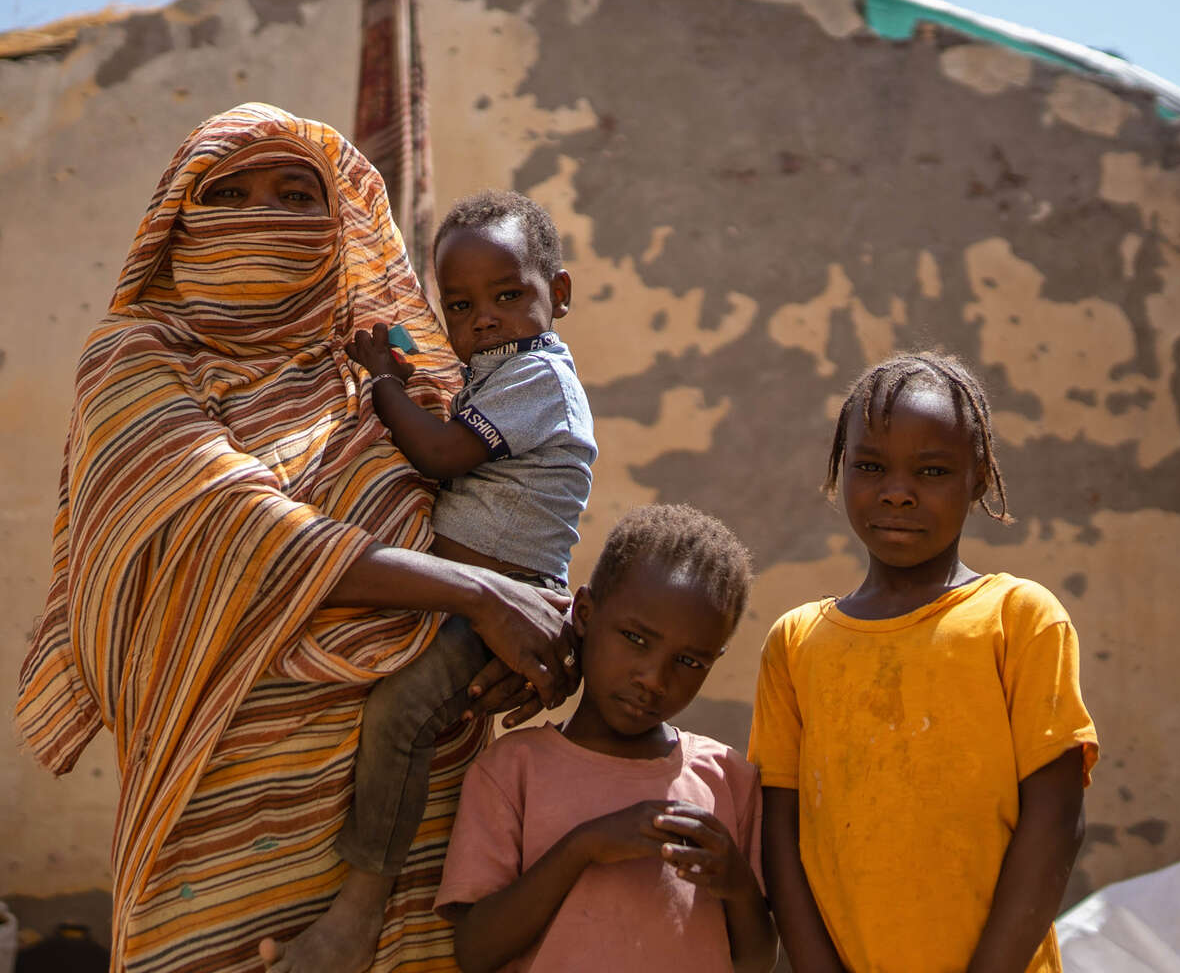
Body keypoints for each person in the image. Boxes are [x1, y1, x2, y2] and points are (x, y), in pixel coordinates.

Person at [15, 104, 576, 973]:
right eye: (231, 193)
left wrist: (535, 625)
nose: (265, 217)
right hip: (224, 801)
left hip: (420, 814)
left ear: (337, 219)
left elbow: (505, 507)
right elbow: (236, 527)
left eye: (294, 195)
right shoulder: (138, 357)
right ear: (181, 219)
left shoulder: (387, 373)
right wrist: (478, 595)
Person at [278, 190, 595, 971]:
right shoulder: (497, 368)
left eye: (508, 295)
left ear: (559, 294)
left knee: (400, 714)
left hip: (504, 596)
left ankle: (361, 904)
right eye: (459, 304)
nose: (483, 316)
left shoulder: (539, 377)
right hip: (473, 591)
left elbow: (447, 456)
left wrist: (384, 382)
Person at [749, 351, 1099, 973]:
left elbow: (1055, 823)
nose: (899, 493)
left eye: (933, 470)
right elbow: (781, 840)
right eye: (870, 466)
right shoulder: (796, 642)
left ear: (980, 477)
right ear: (839, 472)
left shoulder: (1019, 618)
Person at [435, 504, 778, 973]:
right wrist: (584, 847)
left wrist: (737, 886)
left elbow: (758, 960)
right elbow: (476, 952)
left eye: (690, 662)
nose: (654, 679)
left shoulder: (727, 779)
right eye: (636, 638)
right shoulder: (513, 770)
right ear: (585, 614)